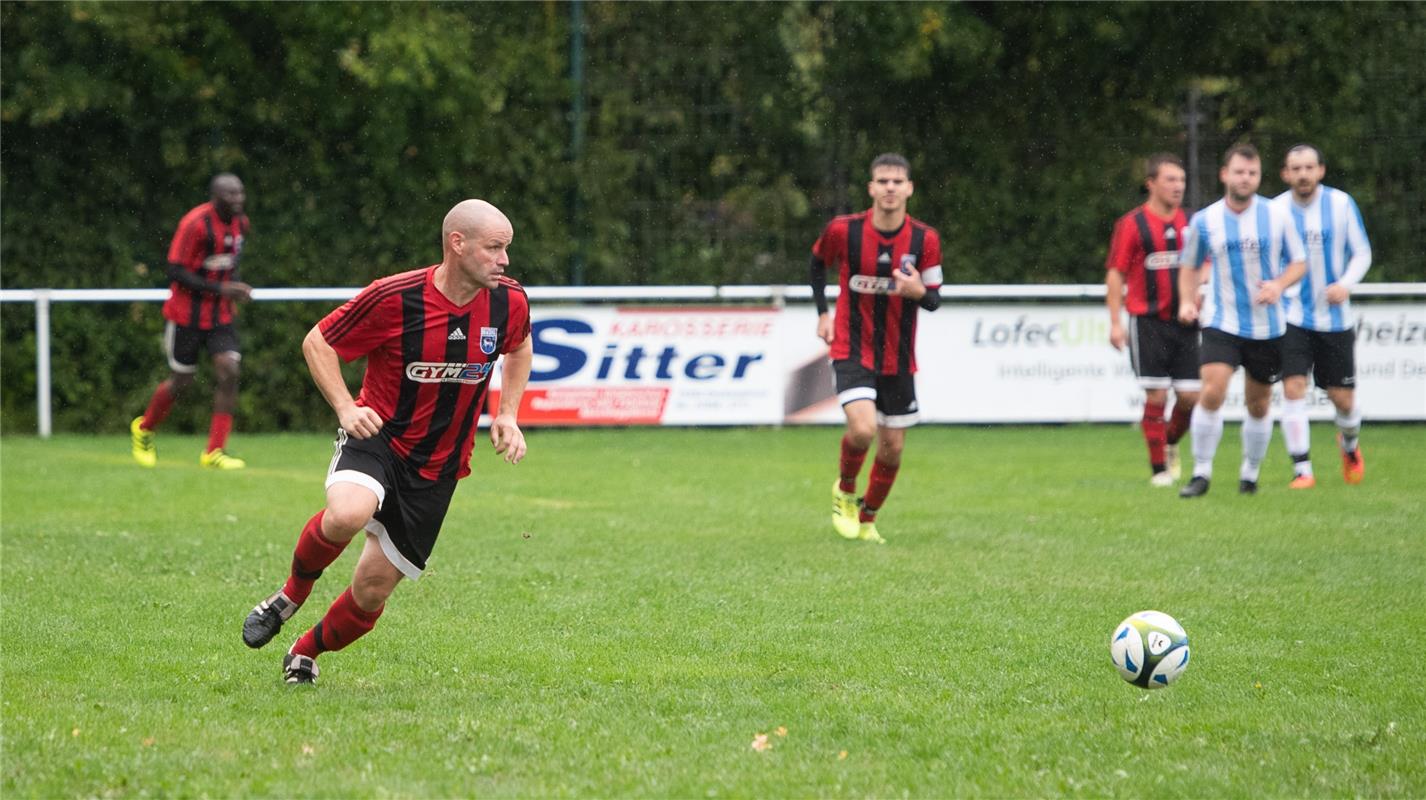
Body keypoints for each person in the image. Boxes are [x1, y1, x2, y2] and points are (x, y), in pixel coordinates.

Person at [241, 199, 532, 685]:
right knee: (348, 514)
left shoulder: (509, 301)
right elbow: (319, 342)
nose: (504, 260)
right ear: (457, 244)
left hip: (439, 467)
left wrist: (508, 414)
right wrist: (345, 407)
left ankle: (304, 652)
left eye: (507, 249)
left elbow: (519, 346)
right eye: (495, 248)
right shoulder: (395, 297)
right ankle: (289, 595)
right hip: (378, 440)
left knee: (372, 591)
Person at [811, 153, 944, 544]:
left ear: (909, 189)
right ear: (871, 188)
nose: (890, 188)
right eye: (883, 181)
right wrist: (822, 314)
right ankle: (846, 490)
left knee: (893, 449)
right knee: (863, 428)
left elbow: (934, 299)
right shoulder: (844, 230)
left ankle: (867, 518)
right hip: (851, 346)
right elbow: (816, 264)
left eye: (897, 182)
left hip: (899, 357)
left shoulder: (925, 240)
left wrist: (917, 291)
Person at [1177, 144, 1307, 498]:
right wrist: (1188, 301)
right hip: (1222, 320)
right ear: (1225, 175)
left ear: (1258, 178)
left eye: (1251, 173)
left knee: (1259, 403)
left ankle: (1249, 473)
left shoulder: (1277, 216)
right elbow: (1189, 265)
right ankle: (1201, 473)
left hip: (1268, 326)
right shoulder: (1205, 220)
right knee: (1213, 390)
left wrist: (1279, 284)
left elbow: (1300, 262)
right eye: (1238, 172)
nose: (1244, 178)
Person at [131, 173, 254, 469]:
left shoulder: (241, 225)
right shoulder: (195, 224)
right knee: (181, 381)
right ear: (215, 197)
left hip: (220, 316)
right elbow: (175, 271)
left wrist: (234, 288)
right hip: (185, 316)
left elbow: (227, 266)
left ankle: (214, 451)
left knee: (229, 371)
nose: (237, 199)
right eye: (230, 195)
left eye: (240, 193)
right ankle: (144, 428)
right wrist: (221, 288)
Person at [1272, 144, 1372, 488]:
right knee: (1293, 387)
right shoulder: (1275, 210)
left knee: (1343, 400)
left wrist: (1345, 283)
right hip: (1291, 316)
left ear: (1321, 171)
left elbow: (1362, 253)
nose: (1303, 174)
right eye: (1295, 168)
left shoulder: (1341, 204)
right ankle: (1302, 470)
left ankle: (1350, 446)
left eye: (1309, 167)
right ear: (1286, 174)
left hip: (1334, 319)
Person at [1105, 153, 1200, 487]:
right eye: (1170, 180)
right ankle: (1159, 468)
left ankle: (1171, 441)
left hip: (1188, 323)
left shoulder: (1192, 221)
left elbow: (1206, 263)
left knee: (1190, 398)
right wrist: (1115, 322)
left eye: (1181, 180)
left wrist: (1200, 292)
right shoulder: (1133, 224)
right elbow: (1116, 273)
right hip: (1148, 321)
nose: (1178, 187)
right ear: (1151, 183)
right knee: (1156, 395)